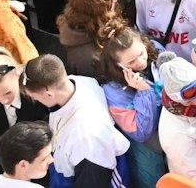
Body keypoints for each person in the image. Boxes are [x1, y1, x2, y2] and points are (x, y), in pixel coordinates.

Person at [22, 53, 130, 188]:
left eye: (36, 98)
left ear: (49, 95)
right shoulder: (77, 82)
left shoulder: (85, 136)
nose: (37, 101)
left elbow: (92, 181)